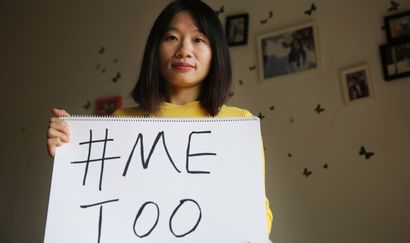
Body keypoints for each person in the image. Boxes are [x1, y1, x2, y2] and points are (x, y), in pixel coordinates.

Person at [47, 0, 273, 242]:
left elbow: (255, 207)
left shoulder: (238, 123)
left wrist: (257, 235)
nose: (184, 50)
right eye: (172, 37)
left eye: (199, 39)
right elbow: (96, 205)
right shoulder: (121, 123)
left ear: (216, 52)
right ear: (155, 48)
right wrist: (70, 148)